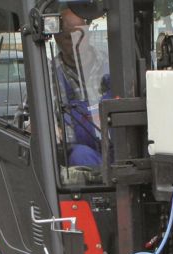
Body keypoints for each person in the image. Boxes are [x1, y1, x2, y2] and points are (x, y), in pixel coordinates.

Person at [53, 7, 110, 166]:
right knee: (81, 156)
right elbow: (23, 124)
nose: (77, 42)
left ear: (88, 33)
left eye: (80, 35)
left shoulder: (111, 64)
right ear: (57, 39)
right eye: (69, 38)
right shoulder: (48, 76)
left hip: (118, 154)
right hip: (80, 165)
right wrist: (44, 130)